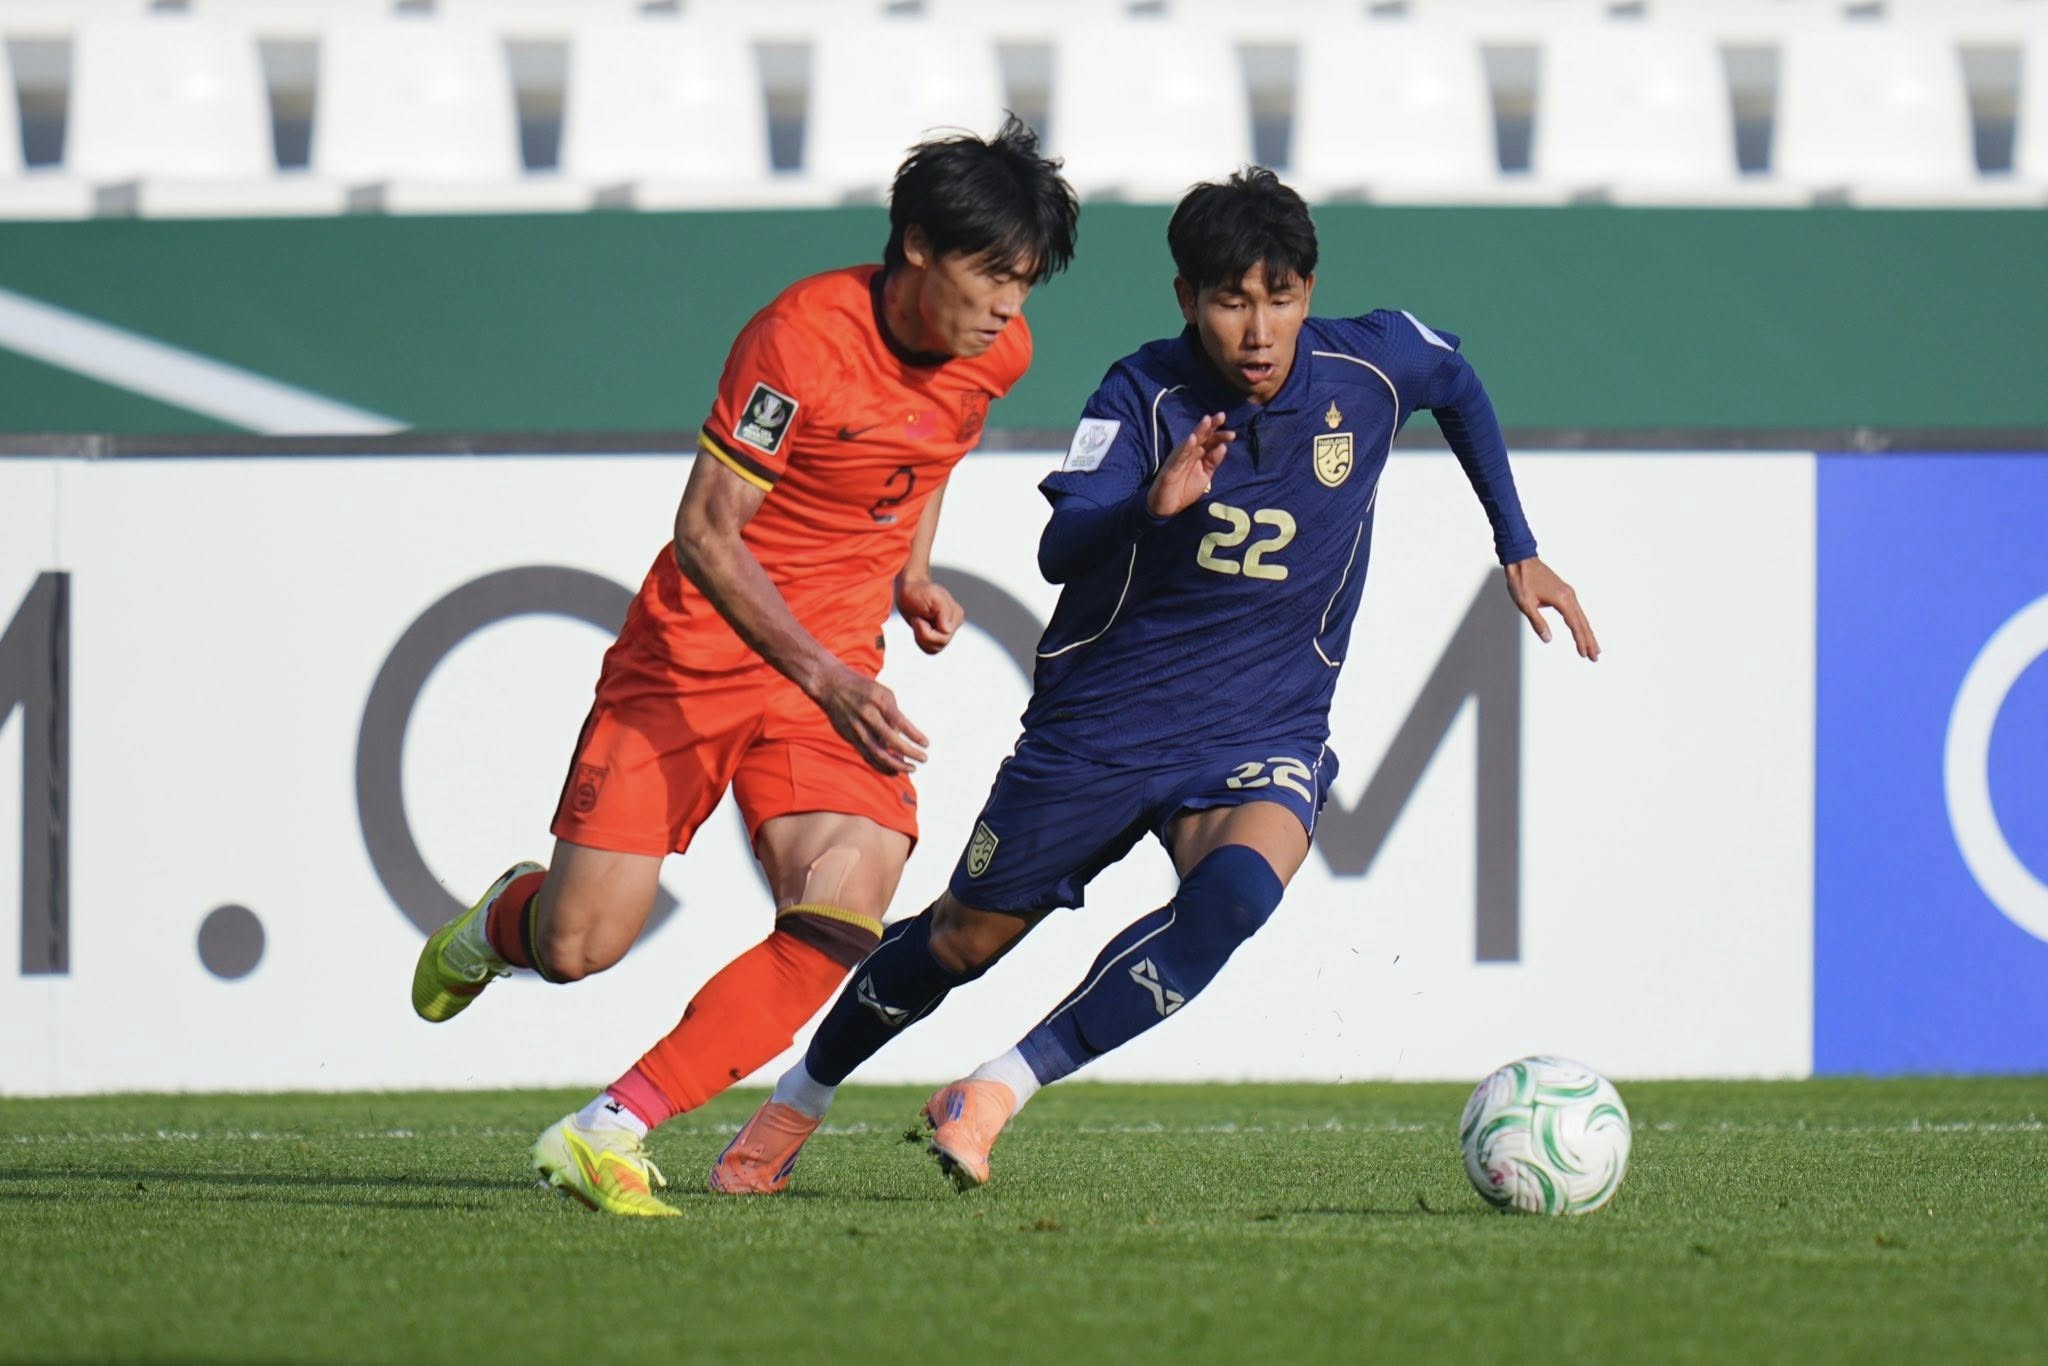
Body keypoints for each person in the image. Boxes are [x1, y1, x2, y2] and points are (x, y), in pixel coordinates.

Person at [712, 167, 1599, 1196]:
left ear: (1308, 292)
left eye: (1278, 299)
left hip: (1263, 726)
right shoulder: (1141, 394)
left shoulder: (1371, 365)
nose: (1256, 330)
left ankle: (995, 1088)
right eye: (1229, 301)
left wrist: (1516, 545)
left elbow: (1459, 383)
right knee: (958, 941)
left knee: (1234, 897)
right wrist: (1153, 503)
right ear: (1186, 298)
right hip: (1101, 730)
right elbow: (1060, 549)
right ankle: (799, 1098)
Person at [407, 117, 1080, 1217]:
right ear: (918, 246)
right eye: (993, 273)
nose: (1011, 306)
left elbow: (930, 456)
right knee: (576, 946)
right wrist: (823, 673)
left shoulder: (994, 352)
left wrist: (911, 570)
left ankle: (609, 1126)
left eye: (1026, 281)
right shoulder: (798, 341)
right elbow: (706, 532)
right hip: (694, 658)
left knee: (842, 913)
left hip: (831, 671)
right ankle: (496, 925)